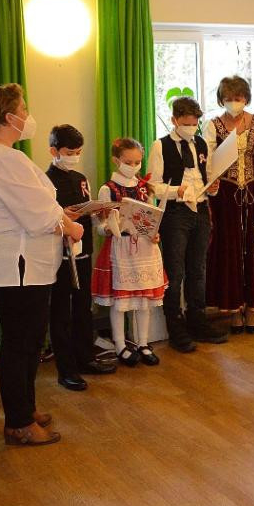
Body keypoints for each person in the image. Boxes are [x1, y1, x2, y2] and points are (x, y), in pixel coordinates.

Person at [0, 83, 83, 446]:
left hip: (16, 262)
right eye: (23, 109)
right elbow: (37, 215)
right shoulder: (2, 157)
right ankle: (18, 422)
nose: (28, 116)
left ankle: (25, 409)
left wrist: (59, 216)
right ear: (8, 117)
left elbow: (33, 205)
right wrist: (70, 226)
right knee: (20, 343)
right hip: (16, 264)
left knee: (29, 341)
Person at [203, 76, 254, 334]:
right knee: (229, 249)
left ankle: (252, 309)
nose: (233, 103)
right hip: (225, 194)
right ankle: (234, 309)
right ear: (221, 100)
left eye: (238, 98)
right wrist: (209, 194)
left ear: (245, 98)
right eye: (228, 99)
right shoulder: (213, 125)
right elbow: (208, 165)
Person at [148, 97, 224, 351]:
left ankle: (197, 320)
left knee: (198, 269)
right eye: (186, 123)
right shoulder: (161, 146)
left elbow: (207, 177)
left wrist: (213, 188)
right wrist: (175, 191)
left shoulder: (201, 144)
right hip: (176, 213)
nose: (191, 128)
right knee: (176, 270)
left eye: (194, 124)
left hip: (200, 210)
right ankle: (175, 326)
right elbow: (153, 186)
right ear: (174, 120)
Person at [46, 125, 117, 391]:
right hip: (60, 255)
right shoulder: (45, 181)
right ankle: (66, 369)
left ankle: (86, 357)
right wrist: (64, 215)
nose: (74, 157)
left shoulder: (80, 178)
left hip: (83, 249)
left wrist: (98, 212)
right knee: (61, 312)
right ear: (54, 151)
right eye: (69, 152)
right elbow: (47, 217)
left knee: (83, 306)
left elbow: (87, 211)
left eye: (78, 152)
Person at [92, 138, 167, 366]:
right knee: (120, 302)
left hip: (145, 248)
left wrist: (155, 233)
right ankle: (120, 345)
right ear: (116, 160)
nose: (133, 166)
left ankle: (143, 343)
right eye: (128, 162)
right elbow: (99, 225)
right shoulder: (107, 189)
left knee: (144, 299)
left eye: (137, 162)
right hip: (121, 248)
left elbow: (152, 216)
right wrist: (109, 228)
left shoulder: (145, 187)